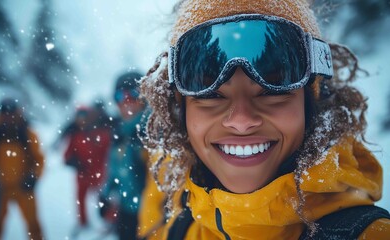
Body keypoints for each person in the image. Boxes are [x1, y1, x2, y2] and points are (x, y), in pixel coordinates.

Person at [137, 0, 390, 239]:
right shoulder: (180, 225)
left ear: (311, 104)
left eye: (272, 90)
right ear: (182, 115)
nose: (242, 120)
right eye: (212, 94)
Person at [0, 98, 45, 240]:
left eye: (12, 112)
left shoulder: (27, 134)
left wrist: (33, 176)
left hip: (23, 188)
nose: (8, 116)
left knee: (33, 225)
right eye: (5, 112)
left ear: (18, 113)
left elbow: (39, 160)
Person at [99, 71, 148, 240]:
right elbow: (115, 169)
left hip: (150, 218)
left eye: (133, 93)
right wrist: (106, 194)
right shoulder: (120, 132)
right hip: (125, 212)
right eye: (120, 95)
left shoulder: (155, 128)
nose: (127, 100)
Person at [62, 105, 112, 234]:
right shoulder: (75, 135)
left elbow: (108, 149)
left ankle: (110, 222)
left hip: (99, 174)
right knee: (80, 199)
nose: (82, 120)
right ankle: (83, 223)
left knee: (105, 198)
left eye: (84, 116)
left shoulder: (100, 132)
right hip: (82, 175)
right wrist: (74, 162)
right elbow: (66, 155)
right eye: (79, 117)